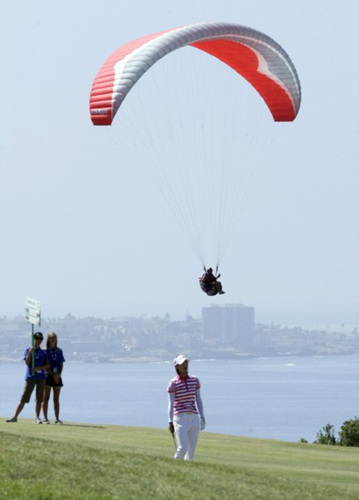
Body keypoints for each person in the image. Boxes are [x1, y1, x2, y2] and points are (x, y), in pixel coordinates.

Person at [167, 354, 206, 461]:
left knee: (191, 453)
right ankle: (174, 465)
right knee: (183, 448)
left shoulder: (194, 380)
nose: (185, 365)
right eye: (182, 363)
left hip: (194, 418)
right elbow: (171, 403)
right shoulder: (173, 383)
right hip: (180, 418)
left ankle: (186, 472)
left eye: (186, 363)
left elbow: (198, 399)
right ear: (177, 367)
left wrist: (202, 417)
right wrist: (170, 421)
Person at [6, 332, 50, 424]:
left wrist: (40, 367)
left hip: (41, 377)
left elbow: (47, 364)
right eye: (37, 338)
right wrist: (30, 353)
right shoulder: (28, 349)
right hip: (30, 377)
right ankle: (15, 417)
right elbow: (27, 362)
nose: (38, 340)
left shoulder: (43, 352)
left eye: (40, 338)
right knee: (24, 397)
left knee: (39, 399)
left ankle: (37, 418)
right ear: (33, 339)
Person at [42, 331, 65, 424]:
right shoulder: (45, 351)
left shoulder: (59, 351)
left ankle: (57, 419)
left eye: (54, 338)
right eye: (51, 338)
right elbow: (44, 365)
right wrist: (52, 374)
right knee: (46, 398)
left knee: (56, 399)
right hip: (47, 376)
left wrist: (58, 375)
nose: (53, 340)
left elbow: (61, 364)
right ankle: (45, 418)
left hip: (57, 376)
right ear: (48, 340)